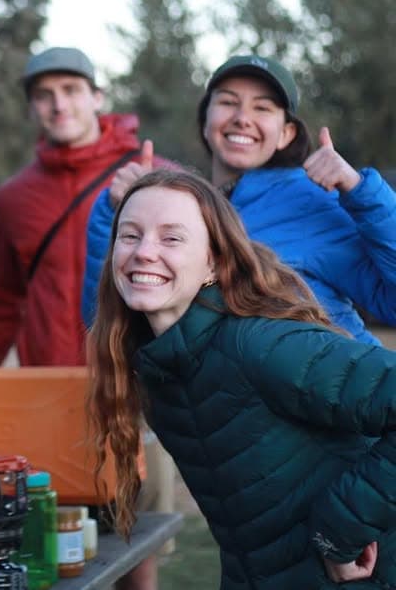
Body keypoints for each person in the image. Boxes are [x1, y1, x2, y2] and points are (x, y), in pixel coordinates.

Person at [88, 167, 396, 589]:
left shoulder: (260, 345)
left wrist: (341, 529)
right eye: (130, 235)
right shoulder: (158, 370)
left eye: (172, 238)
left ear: (213, 261)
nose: (144, 252)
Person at [83, 54, 396, 342]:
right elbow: (108, 324)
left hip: (326, 399)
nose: (243, 118)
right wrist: (116, 212)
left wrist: (364, 194)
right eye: (228, 102)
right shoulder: (185, 212)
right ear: (206, 122)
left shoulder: (317, 202)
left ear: (286, 133)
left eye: (262, 107)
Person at [0, 46, 156, 367]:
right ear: (31, 109)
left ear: (97, 97)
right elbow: (4, 302)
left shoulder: (155, 175)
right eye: (43, 95)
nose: (59, 105)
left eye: (71, 90)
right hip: (46, 383)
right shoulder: (14, 196)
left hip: (134, 385)